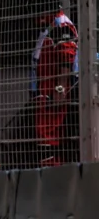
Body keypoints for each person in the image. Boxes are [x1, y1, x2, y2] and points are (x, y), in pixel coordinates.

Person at [30, 10, 78, 166]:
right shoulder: (50, 27)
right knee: (45, 140)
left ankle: (54, 178)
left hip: (53, 96)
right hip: (46, 95)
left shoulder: (61, 24)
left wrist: (60, 90)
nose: (37, 19)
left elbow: (66, 56)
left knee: (48, 140)